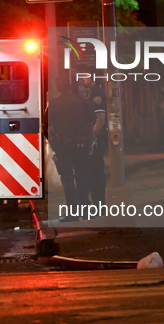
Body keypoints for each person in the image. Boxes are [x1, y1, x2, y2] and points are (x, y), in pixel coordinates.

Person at [46, 76, 94, 221]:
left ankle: (72, 213)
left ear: (58, 87)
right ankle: (85, 209)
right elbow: (91, 122)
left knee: (67, 179)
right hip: (81, 144)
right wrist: (90, 142)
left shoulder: (54, 103)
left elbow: (46, 125)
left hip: (63, 146)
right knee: (82, 176)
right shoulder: (82, 101)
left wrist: (53, 142)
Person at [81, 75, 108, 206]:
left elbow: (100, 119)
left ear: (94, 79)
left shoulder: (97, 94)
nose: (83, 79)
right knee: (93, 172)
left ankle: (100, 204)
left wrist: (92, 139)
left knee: (95, 172)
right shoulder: (91, 93)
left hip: (98, 139)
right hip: (96, 139)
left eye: (86, 77)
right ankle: (99, 203)